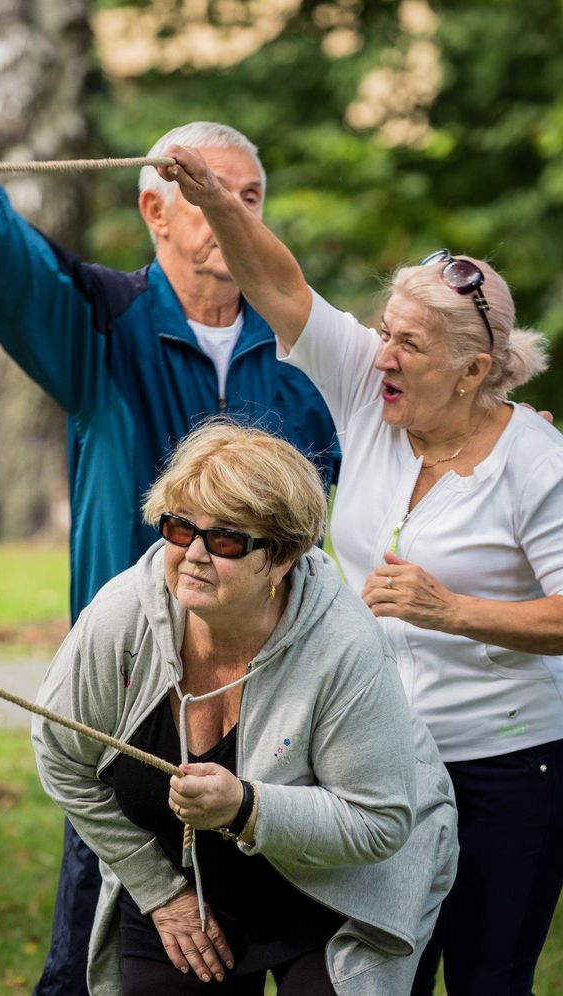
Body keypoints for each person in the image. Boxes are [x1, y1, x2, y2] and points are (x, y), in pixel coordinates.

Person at [0, 123, 339, 995]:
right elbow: (17, 275)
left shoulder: (306, 347)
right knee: (101, 929)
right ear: (155, 208)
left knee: (285, 912)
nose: (231, 210)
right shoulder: (104, 326)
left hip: (281, 682)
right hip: (136, 683)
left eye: (249, 197)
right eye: (208, 191)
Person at [158, 148, 563, 996]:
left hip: (507, 767)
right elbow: (283, 286)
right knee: (377, 971)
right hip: (374, 760)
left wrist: (453, 609)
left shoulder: (537, 461)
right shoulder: (368, 397)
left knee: (490, 978)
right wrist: (220, 206)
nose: (382, 355)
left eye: (408, 345)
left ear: (474, 370)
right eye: (383, 332)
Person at [32, 419, 458, 996]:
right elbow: (62, 756)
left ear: (280, 559)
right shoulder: (122, 616)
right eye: (180, 529)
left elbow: (378, 821)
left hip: (333, 888)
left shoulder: (343, 645)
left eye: (227, 540)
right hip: (188, 882)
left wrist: (246, 806)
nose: (194, 555)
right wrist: (160, 889)